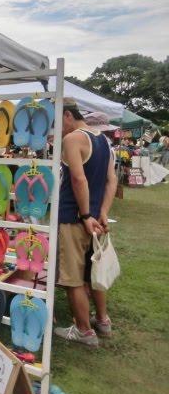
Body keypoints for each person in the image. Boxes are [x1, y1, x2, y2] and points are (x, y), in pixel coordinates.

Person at [54, 98, 117, 347]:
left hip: (75, 217)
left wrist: (85, 215)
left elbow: (78, 180)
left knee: (73, 278)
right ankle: (102, 320)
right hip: (96, 218)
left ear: (67, 115)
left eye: (58, 121)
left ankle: (84, 330)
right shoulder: (103, 140)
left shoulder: (73, 139)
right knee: (94, 271)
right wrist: (102, 212)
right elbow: (111, 180)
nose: (57, 128)